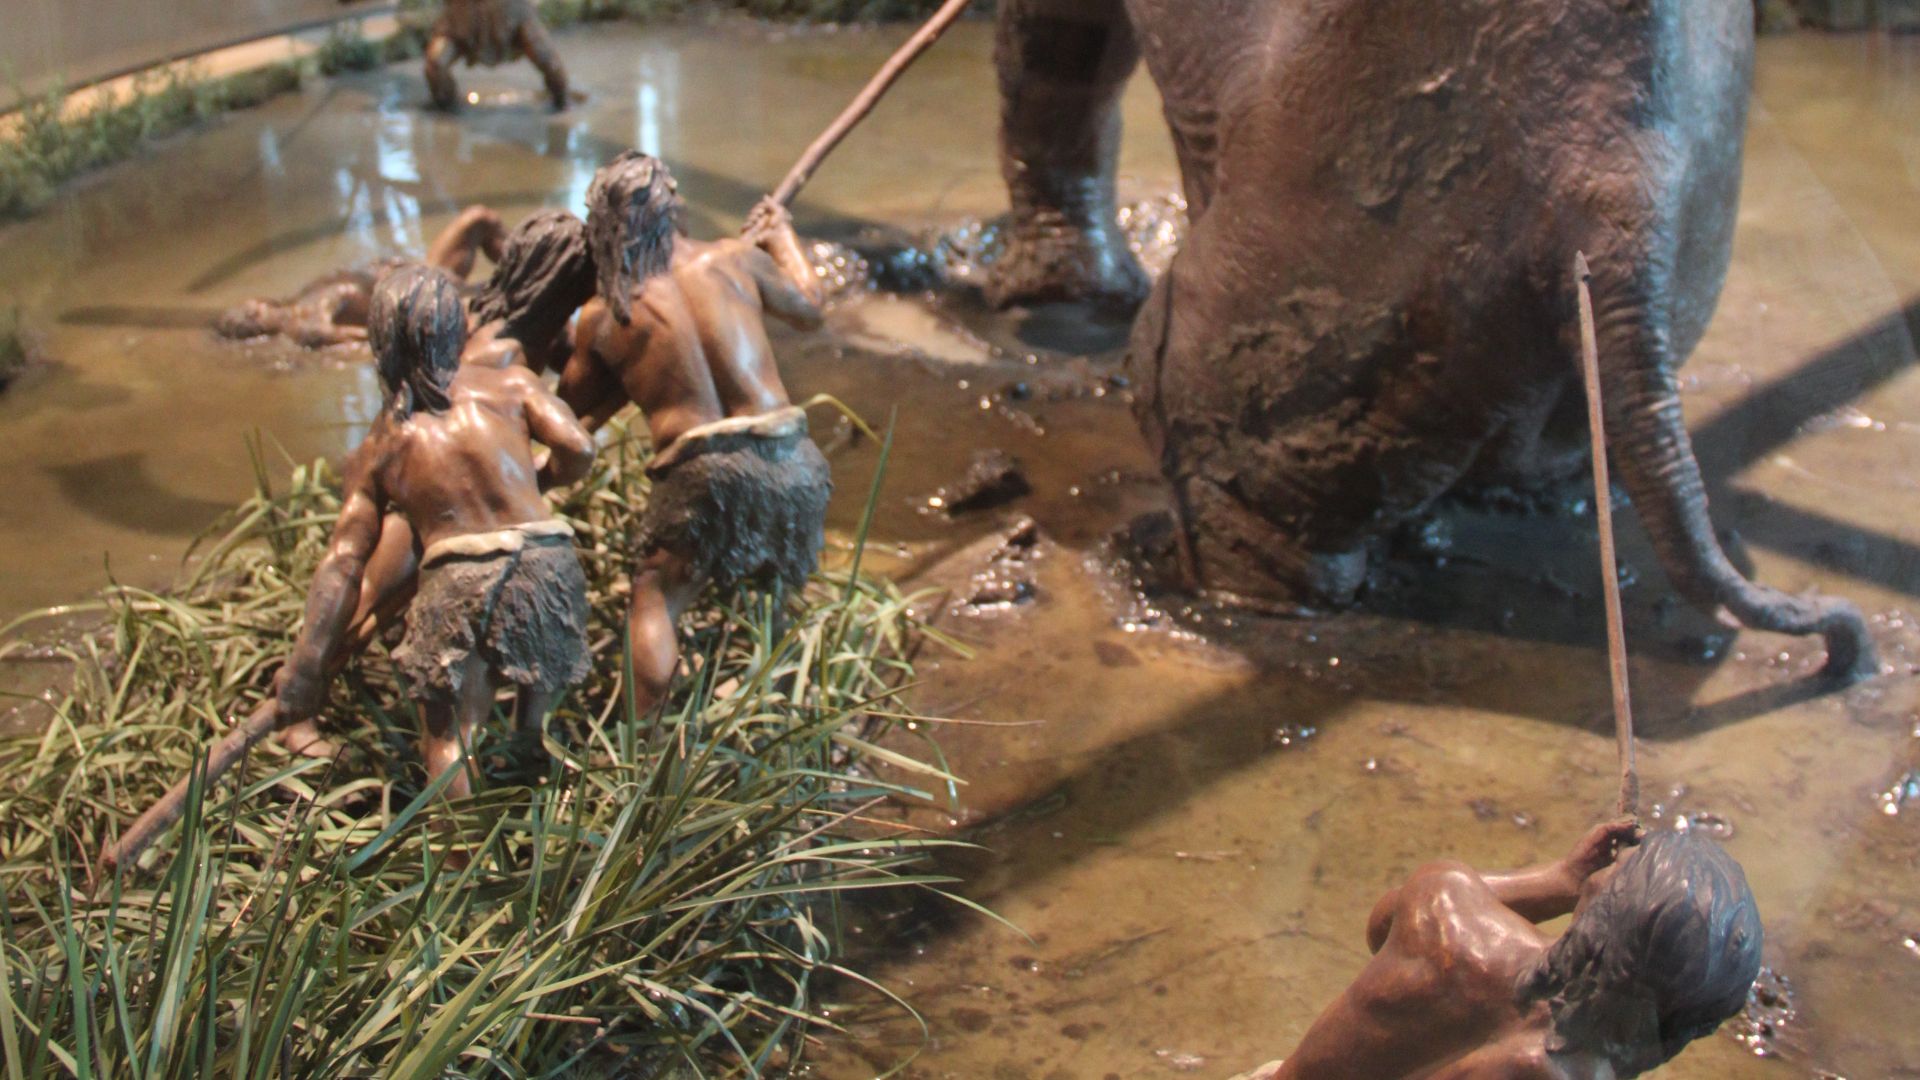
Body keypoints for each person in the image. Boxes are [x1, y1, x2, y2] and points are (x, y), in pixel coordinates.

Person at [271, 265, 597, 797]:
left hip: (461, 576)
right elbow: (580, 447)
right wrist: (542, 482)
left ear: (383, 344)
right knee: (539, 659)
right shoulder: (512, 383)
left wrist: (306, 665)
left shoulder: (384, 442)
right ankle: (531, 743)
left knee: (449, 735)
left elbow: (345, 562)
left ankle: (460, 860)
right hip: (547, 558)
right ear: (456, 327)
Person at [554, 151, 831, 716]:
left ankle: (647, 752)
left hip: (705, 469)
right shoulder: (735, 259)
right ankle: (779, 706)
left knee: (655, 597)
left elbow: (569, 407)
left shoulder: (608, 312)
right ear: (673, 206)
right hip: (793, 454)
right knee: (777, 582)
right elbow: (812, 307)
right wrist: (781, 238)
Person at [1235, 824, 1763, 1080]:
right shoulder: (1568, 1069)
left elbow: (1380, 927)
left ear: (1597, 894)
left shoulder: (1444, 904)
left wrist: (1557, 879)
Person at [216, 206, 507, 349]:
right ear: (254, 319)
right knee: (508, 302)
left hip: (425, 275)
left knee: (479, 218)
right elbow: (373, 343)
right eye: (250, 310)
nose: (255, 304)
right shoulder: (307, 326)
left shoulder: (302, 299)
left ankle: (525, 264)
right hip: (430, 301)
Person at [425, 0, 570, 112]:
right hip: (461, 14)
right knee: (436, 63)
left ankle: (562, 102)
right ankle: (449, 109)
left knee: (549, 61)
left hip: (511, 12)